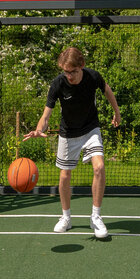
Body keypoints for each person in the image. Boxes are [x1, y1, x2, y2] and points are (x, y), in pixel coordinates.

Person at [23, 47, 121, 239]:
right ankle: (66, 218)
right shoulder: (58, 84)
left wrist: (116, 112)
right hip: (68, 134)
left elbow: (107, 90)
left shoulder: (93, 77)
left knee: (99, 167)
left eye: (72, 72)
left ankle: (96, 217)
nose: (69, 76)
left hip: (91, 129)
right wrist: (38, 129)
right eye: (65, 72)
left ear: (81, 66)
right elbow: (46, 115)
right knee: (64, 176)